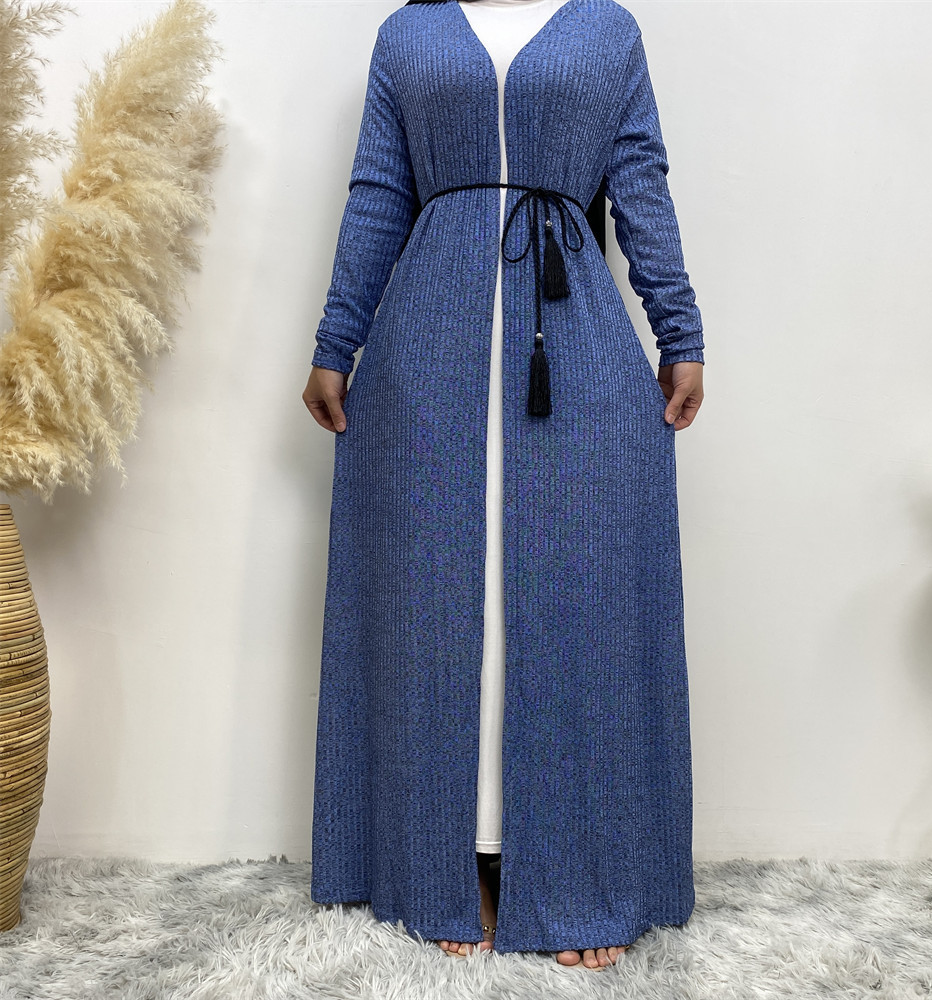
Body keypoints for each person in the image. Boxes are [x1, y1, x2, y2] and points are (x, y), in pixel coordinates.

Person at [304, 0, 705, 970]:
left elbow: (639, 183)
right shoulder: (408, 34)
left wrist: (679, 329)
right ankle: (447, 869)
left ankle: (574, 873)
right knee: (440, 613)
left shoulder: (607, 30)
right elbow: (378, 191)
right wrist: (335, 340)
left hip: (572, 340)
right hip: (426, 348)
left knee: (576, 609)